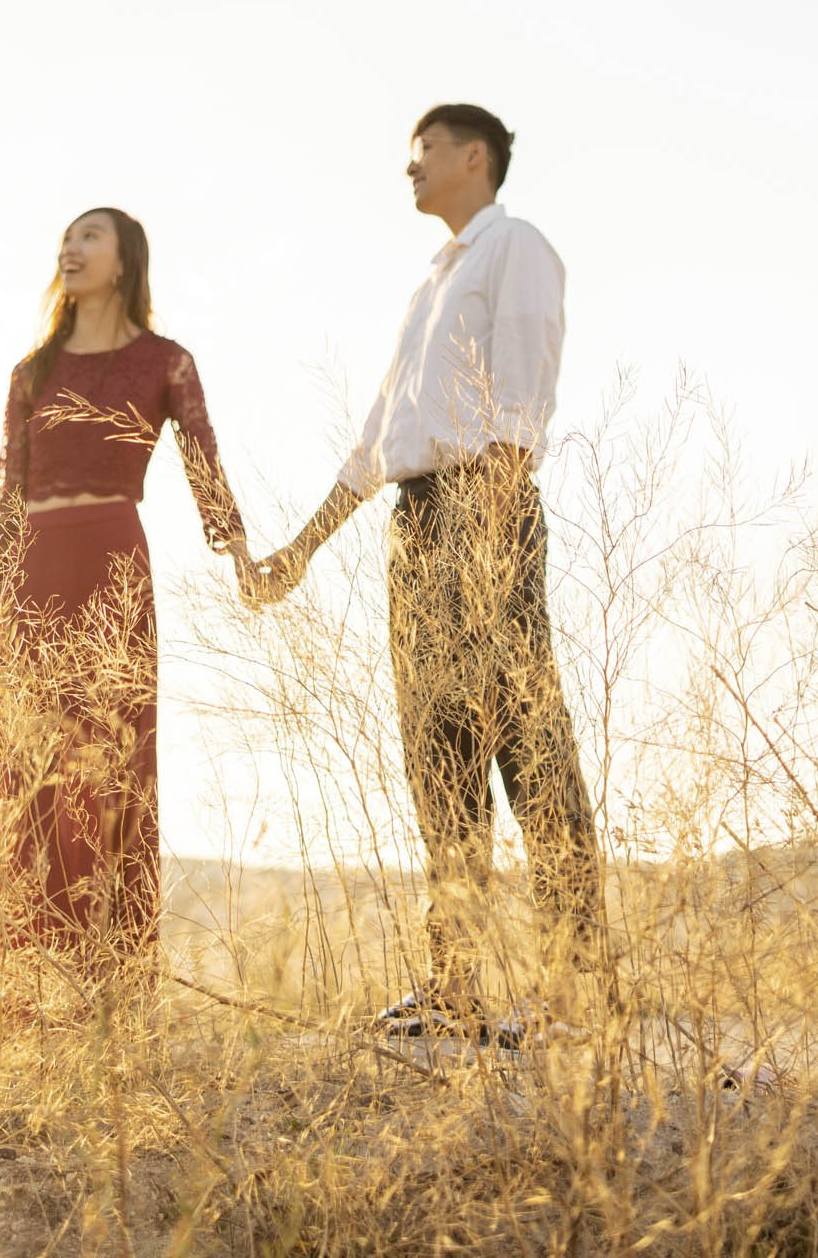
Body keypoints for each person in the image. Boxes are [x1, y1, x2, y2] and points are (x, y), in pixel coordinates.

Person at [248, 106, 602, 1040]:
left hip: (483, 507)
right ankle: (454, 990)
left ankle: (576, 994)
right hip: (417, 523)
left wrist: (490, 521)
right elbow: (377, 438)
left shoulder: (512, 246)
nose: (409, 167)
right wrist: (304, 546)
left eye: (425, 150)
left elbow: (524, 393)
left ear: (473, 156)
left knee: (527, 744)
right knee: (436, 758)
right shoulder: (427, 286)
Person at [0, 206, 247, 989]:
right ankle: (0, 975)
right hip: (37, 567)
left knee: (105, 761)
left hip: (111, 563)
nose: (70, 247)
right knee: (17, 760)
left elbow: (202, 461)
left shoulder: (165, 362)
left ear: (125, 261)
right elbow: (8, 499)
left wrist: (239, 551)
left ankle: (92, 977)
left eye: (89, 236)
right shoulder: (30, 373)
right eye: (66, 238)